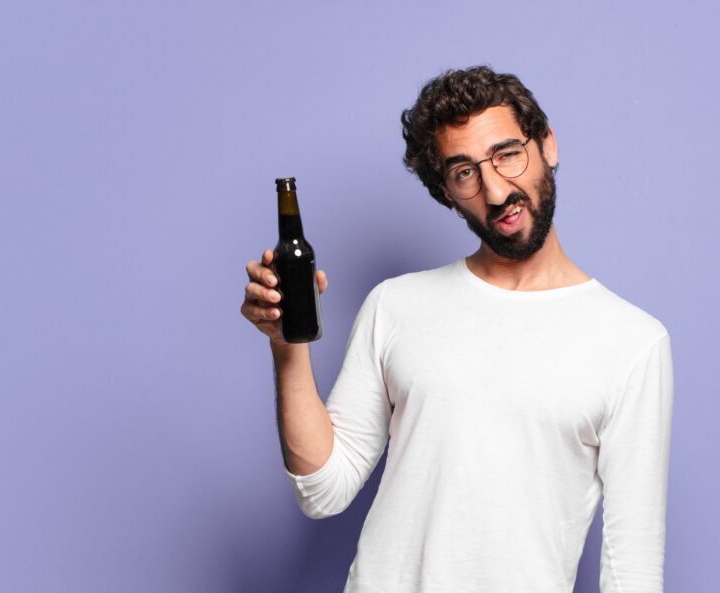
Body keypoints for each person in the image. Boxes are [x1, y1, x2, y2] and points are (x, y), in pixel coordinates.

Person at [240, 65, 674, 593]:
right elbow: (322, 490)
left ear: (547, 145)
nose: (495, 190)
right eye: (464, 172)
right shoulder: (396, 305)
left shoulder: (632, 342)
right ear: (446, 191)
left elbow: (633, 567)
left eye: (507, 154)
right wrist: (287, 347)